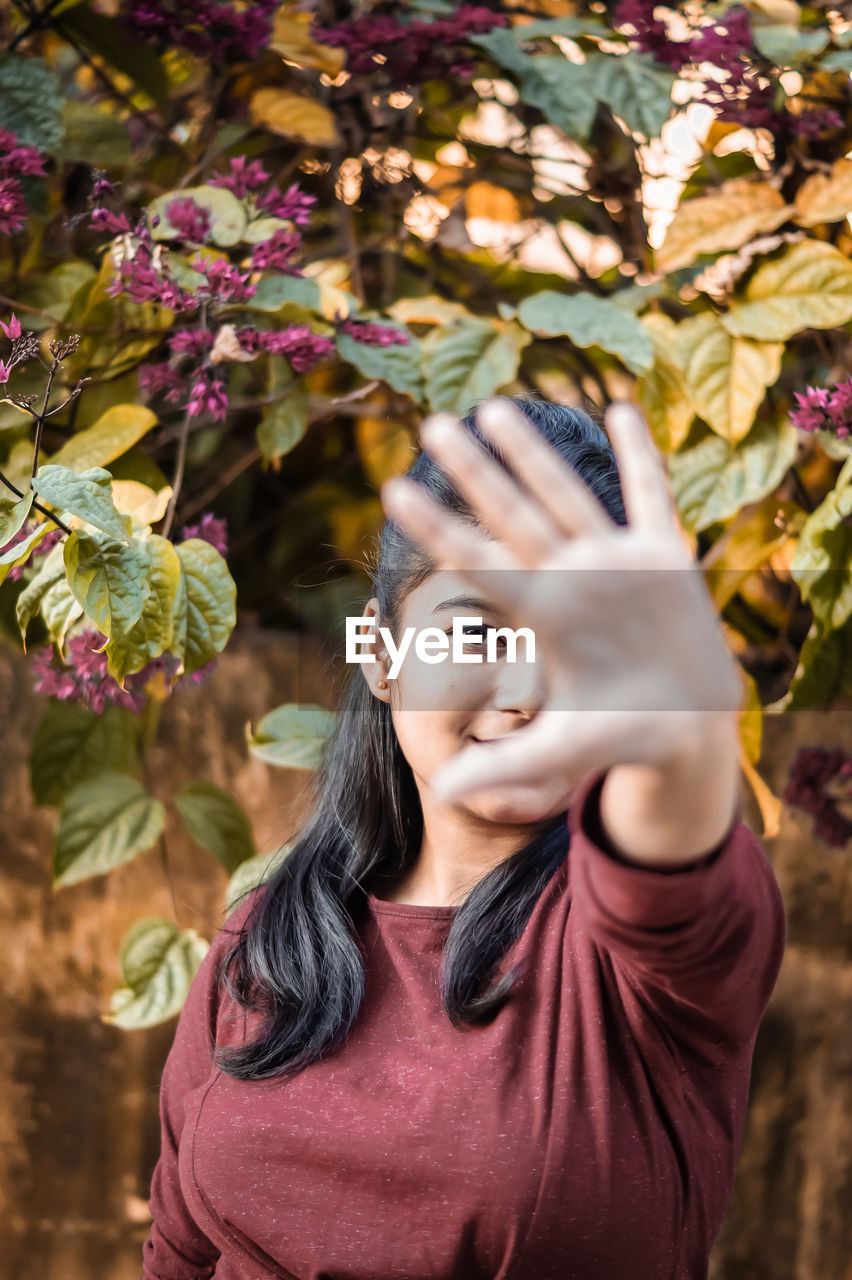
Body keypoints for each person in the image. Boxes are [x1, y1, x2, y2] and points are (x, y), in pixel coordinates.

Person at [141, 396, 786, 1280]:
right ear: (380, 652)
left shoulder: (647, 965)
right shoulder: (263, 942)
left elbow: (674, 855)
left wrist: (677, 725)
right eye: (478, 629)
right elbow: (178, 1252)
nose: (526, 688)